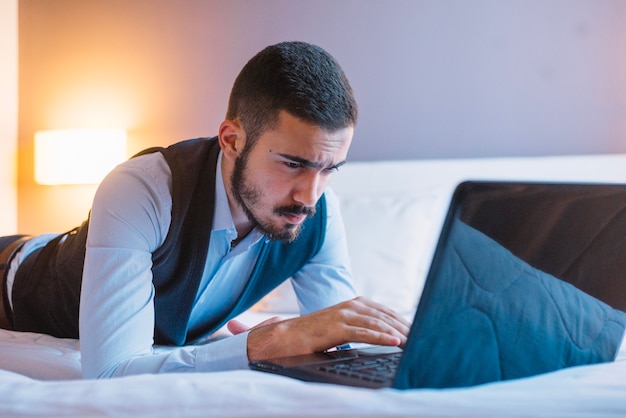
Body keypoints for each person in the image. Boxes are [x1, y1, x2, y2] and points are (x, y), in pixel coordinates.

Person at [0, 41, 410, 378]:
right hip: (14, 280)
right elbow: (110, 375)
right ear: (231, 140)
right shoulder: (141, 189)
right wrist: (261, 344)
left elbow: (337, 335)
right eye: (293, 164)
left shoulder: (318, 211)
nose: (309, 196)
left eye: (330, 169)